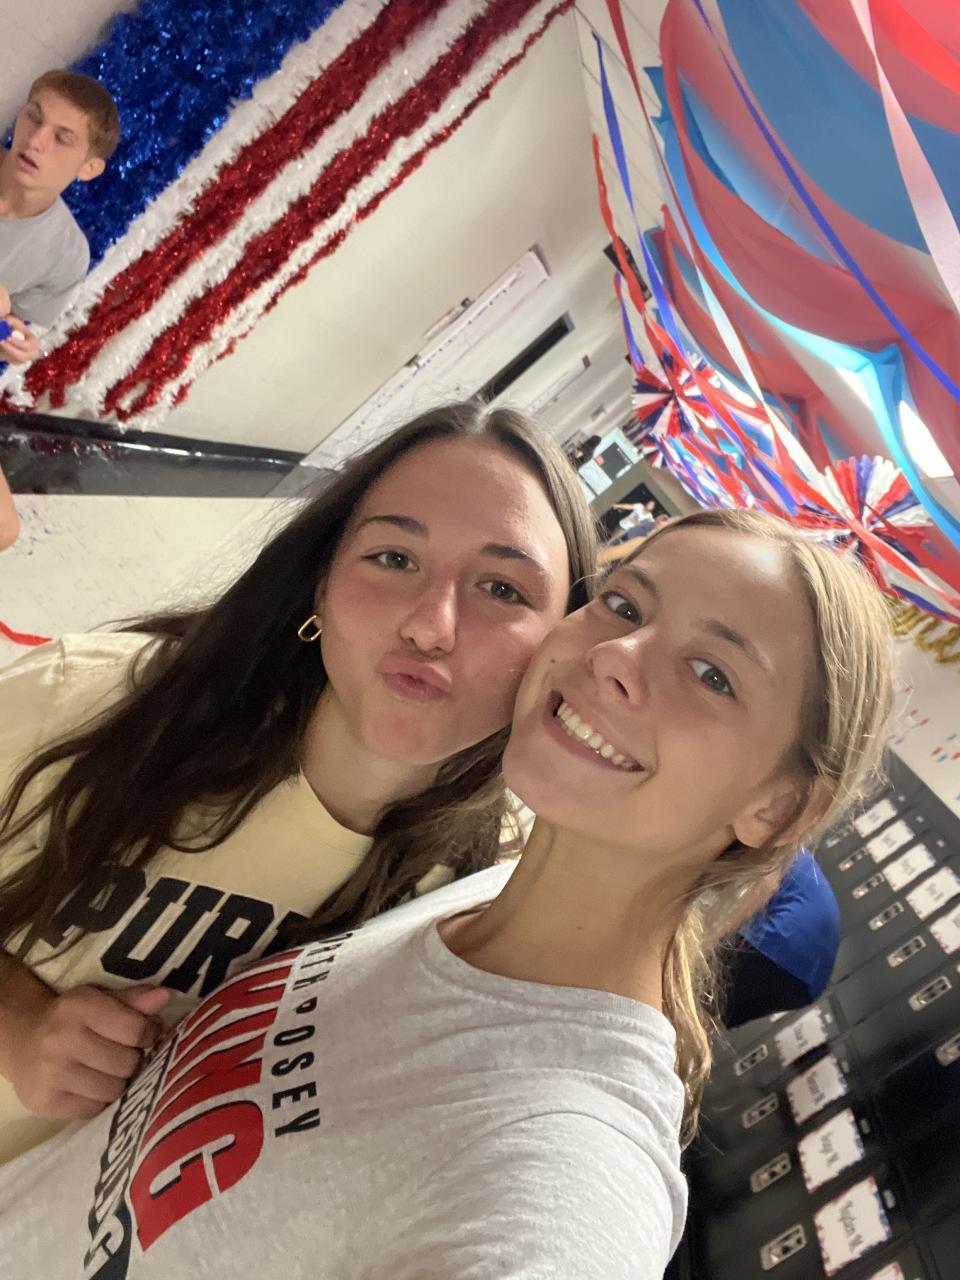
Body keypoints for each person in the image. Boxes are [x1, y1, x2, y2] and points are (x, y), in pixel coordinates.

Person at [0, 508, 893, 1279]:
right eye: (625, 604)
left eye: (714, 674)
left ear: (780, 808)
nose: (618, 656)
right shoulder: (469, 891)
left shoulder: (573, 1156)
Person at [0, 401, 597, 1165]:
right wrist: (20, 1026)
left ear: (560, 645)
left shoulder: (478, 898)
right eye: (394, 559)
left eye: (503, 590)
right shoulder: (103, 701)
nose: (431, 627)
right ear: (321, 585)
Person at [0, 71, 120, 365]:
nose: (35, 140)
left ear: (89, 168)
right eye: (33, 117)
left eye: (62, 138)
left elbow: (11, 323)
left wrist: (8, 339)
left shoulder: (68, 255)